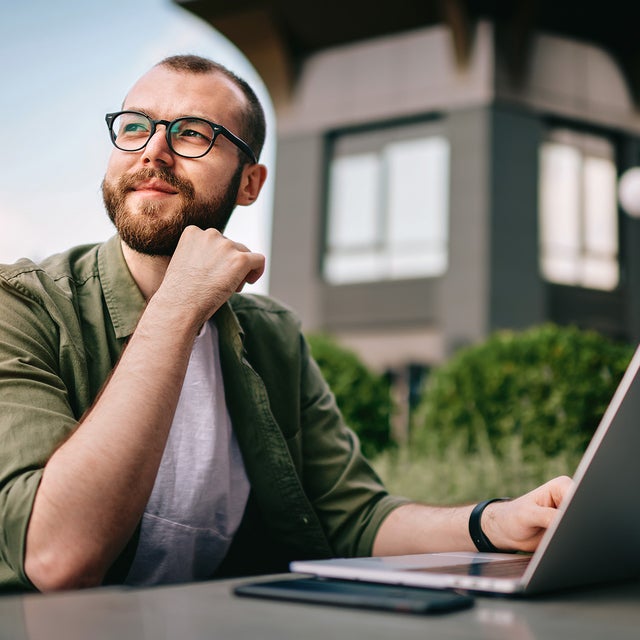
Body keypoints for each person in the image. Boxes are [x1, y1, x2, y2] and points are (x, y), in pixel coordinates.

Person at [0, 54, 571, 593]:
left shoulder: (272, 335)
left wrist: (492, 522)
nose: (153, 152)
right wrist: (177, 306)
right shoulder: (22, 305)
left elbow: (355, 518)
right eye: (135, 127)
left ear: (249, 183)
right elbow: (56, 555)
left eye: (193, 133)